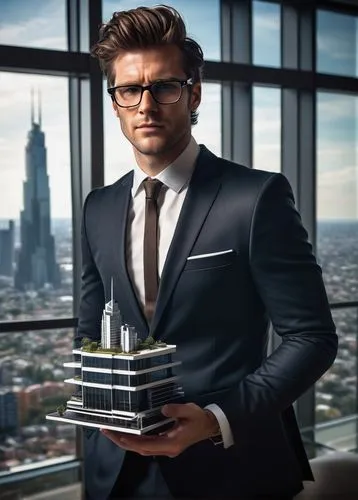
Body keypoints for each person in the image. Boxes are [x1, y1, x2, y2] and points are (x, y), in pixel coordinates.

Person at [75, 5, 338, 500]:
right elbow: (91, 331)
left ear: (193, 93)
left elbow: (312, 337)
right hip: (116, 474)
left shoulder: (255, 198)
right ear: (115, 103)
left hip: (231, 470)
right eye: (130, 90)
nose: (146, 106)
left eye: (165, 87)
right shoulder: (99, 207)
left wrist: (216, 420)